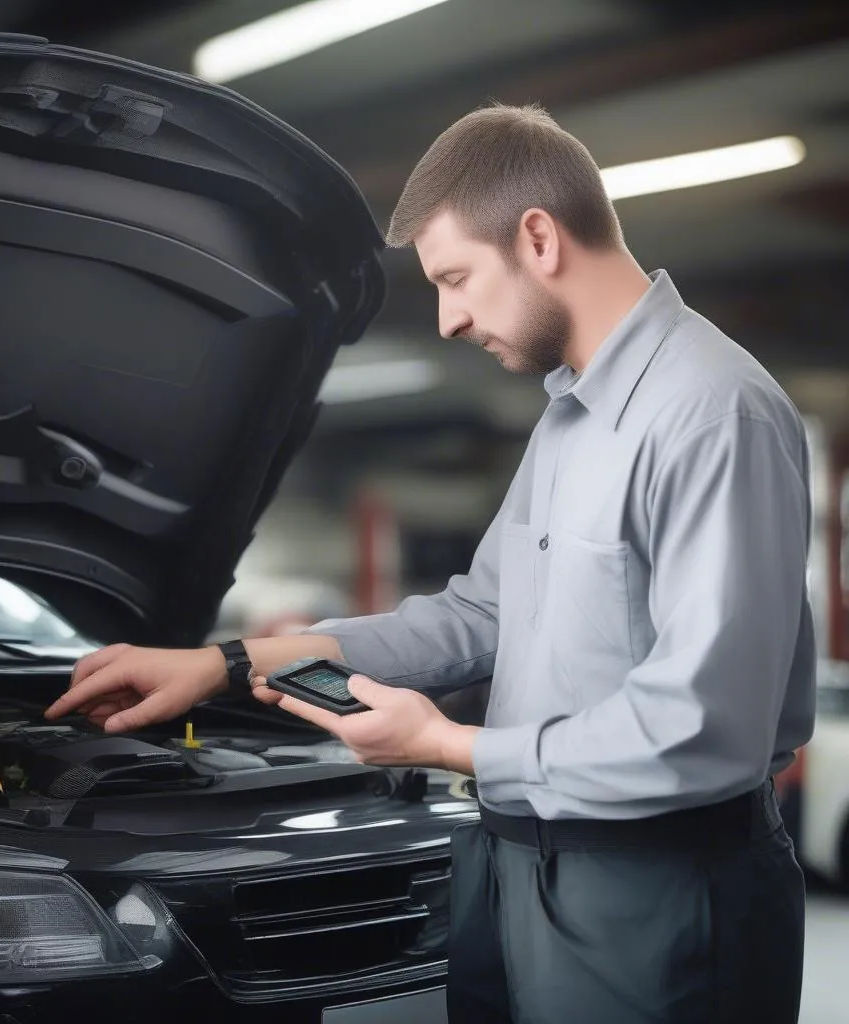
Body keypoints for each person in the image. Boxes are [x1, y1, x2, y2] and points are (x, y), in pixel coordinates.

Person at [44, 103, 814, 1023]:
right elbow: (478, 618)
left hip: (662, 888)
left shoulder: (712, 413)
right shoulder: (569, 420)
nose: (447, 319)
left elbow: (705, 727)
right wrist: (225, 663)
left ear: (536, 237)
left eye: (455, 278)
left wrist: (444, 745)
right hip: (516, 868)